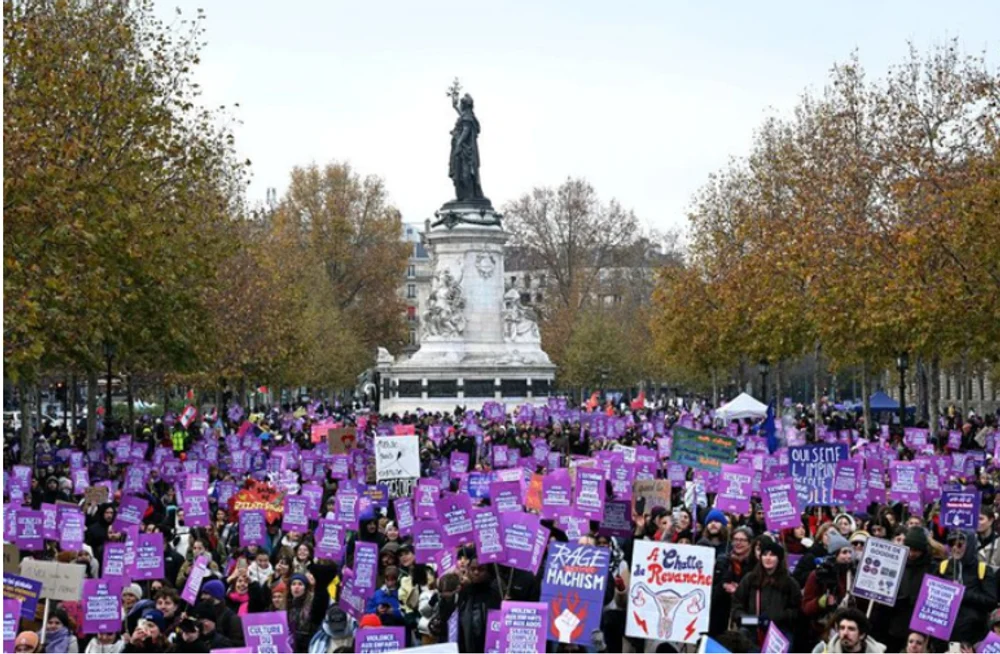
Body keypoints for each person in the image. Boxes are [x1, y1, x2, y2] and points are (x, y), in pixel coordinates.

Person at [870, 526, 932, 652]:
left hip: (918, 626)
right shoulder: (895, 564)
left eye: (916, 550)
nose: (912, 553)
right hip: (895, 623)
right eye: (910, 549)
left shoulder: (931, 568)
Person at [732, 540, 802, 649]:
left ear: (779, 559)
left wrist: (775, 618)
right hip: (751, 633)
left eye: (772, 555)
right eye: (765, 555)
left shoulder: (790, 583)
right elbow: (737, 606)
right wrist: (753, 620)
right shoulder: (750, 579)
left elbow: (796, 611)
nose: (768, 558)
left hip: (779, 634)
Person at [936, 529, 997, 645]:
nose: (955, 548)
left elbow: (991, 601)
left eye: (959, 544)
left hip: (973, 637)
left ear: (970, 545)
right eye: (951, 544)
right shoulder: (943, 567)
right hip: (944, 635)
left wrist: (963, 593)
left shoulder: (983, 569)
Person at [802, 532, 855, 639]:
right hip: (824, 629)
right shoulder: (818, 575)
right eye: (844, 552)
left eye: (850, 552)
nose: (848, 556)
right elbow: (805, 607)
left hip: (849, 627)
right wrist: (821, 602)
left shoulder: (854, 573)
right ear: (835, 555)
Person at [710, 525, 755, 634]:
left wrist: (739, 590)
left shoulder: (754, 564)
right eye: (735, 539)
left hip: (744, 616)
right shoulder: (723, 560)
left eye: (742, 540)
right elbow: (713, 590)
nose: (738, 543)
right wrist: (723, 586)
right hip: (721, 613)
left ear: (749, 543)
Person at [810, 607, 885, 653]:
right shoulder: (822, 650)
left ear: (862, 635)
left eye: (851, 629)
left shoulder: (877, 651)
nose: (845, 633)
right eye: (842, 628)